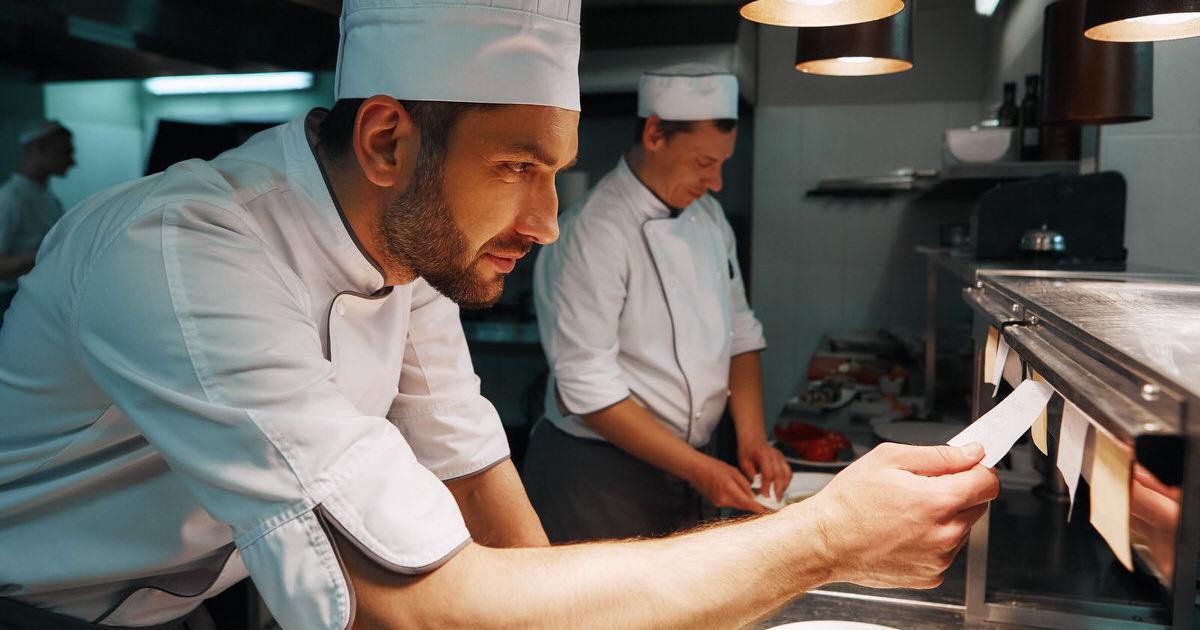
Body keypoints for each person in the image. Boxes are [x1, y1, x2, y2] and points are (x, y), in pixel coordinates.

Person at [0, 2, 997, 629]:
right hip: (58, 606)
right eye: (519, 168)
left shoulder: (410, 257)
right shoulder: (182, 248)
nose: (550, 221)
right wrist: (825, 539)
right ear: (388, 140)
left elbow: (473, 465)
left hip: (217, 581)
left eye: (556, 174)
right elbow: (415, 605)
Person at [524, 65, 790, 542]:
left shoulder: (707, 216)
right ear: (654, 134)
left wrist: (753, 438)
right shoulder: (593, 231)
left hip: (688, 469)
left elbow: (741, 331)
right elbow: (589, 389)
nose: (717, 183)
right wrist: (699, 468)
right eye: (704, 162)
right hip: (599, 480)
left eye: (723, 163)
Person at [0, 120, 73, 320]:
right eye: (65, 151)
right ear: (42, 148)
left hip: (42, 297)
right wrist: (48, 249)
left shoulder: (47, 197)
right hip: (16, 301)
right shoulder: (9, 199)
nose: (72, 161)